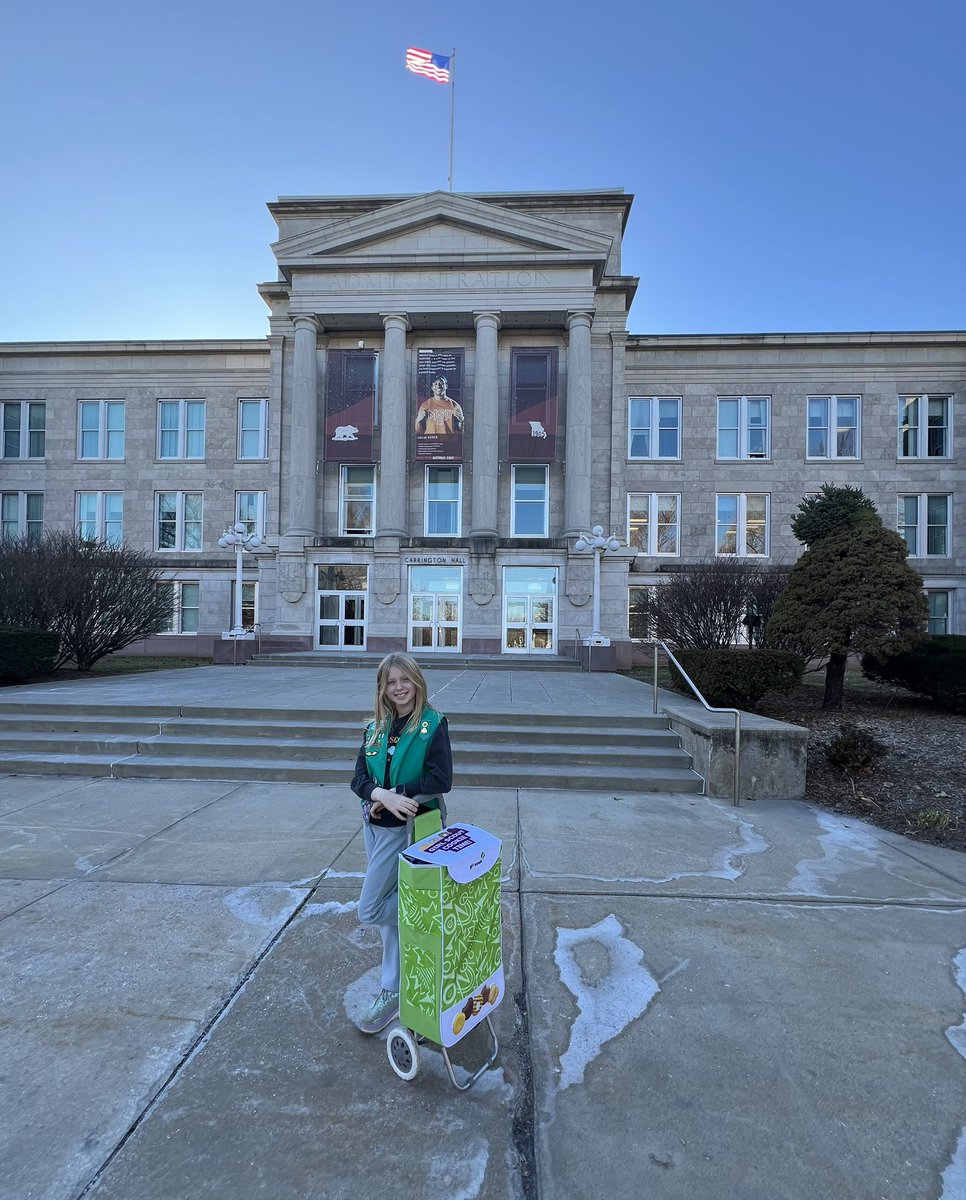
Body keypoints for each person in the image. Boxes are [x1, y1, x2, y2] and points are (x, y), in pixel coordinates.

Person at [350, 652, 453, 1033]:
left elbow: (441, 779)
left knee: (371, 908)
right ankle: (395, 989)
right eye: (391, 682)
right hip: (376, 825)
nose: (399, 688)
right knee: (388, 925)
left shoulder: (432, 724)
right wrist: (379, 796)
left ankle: (426, 915)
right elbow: (358, 779)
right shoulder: (375, 727)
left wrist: (397, 794)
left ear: (417, 681)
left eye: (404, 680)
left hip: (411, 829)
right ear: (383, 687)